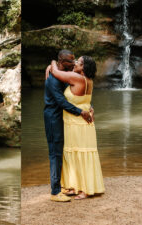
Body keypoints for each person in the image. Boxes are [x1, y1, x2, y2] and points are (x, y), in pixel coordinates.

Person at [50, 56, 105, 200]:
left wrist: (53, 62)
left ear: (84, 68)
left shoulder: (77, 78)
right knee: (77, 153)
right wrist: (91, 108)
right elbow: (85, 101)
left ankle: (85, 189)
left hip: (77, 123)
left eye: (78, 62)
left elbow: (55, 72)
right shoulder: (89, 81)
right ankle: (76, 186)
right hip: (82, 122)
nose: (75, 63)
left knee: (79, 153)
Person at [44, 49, 93, 202]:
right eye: (70, 61)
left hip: (62, 118)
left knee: (62, 152)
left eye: (74, 60)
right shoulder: (53, 78)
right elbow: (61, 102)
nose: (73, 63)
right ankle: (55, 192)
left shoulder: (63, 75)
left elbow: (74, 96)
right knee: (55, 154)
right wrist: (81, 112)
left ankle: (65, 186)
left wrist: (87, 106)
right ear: (61, 61)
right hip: (53, 118)